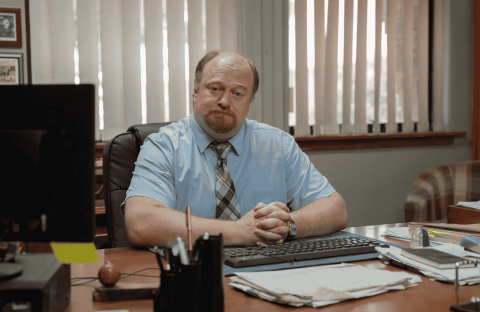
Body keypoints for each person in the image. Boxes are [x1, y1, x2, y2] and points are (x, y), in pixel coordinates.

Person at [123, 50, 348, 247]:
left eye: (238, 93)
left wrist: (288, 225)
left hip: (266, 270)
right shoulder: (163, 146)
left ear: (249, 101)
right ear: (195, 91)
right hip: (194, 271)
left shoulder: (278, 145)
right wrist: (241, 232)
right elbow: (141, 222)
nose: (224, 101)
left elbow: (335, 209)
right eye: (215, 88)